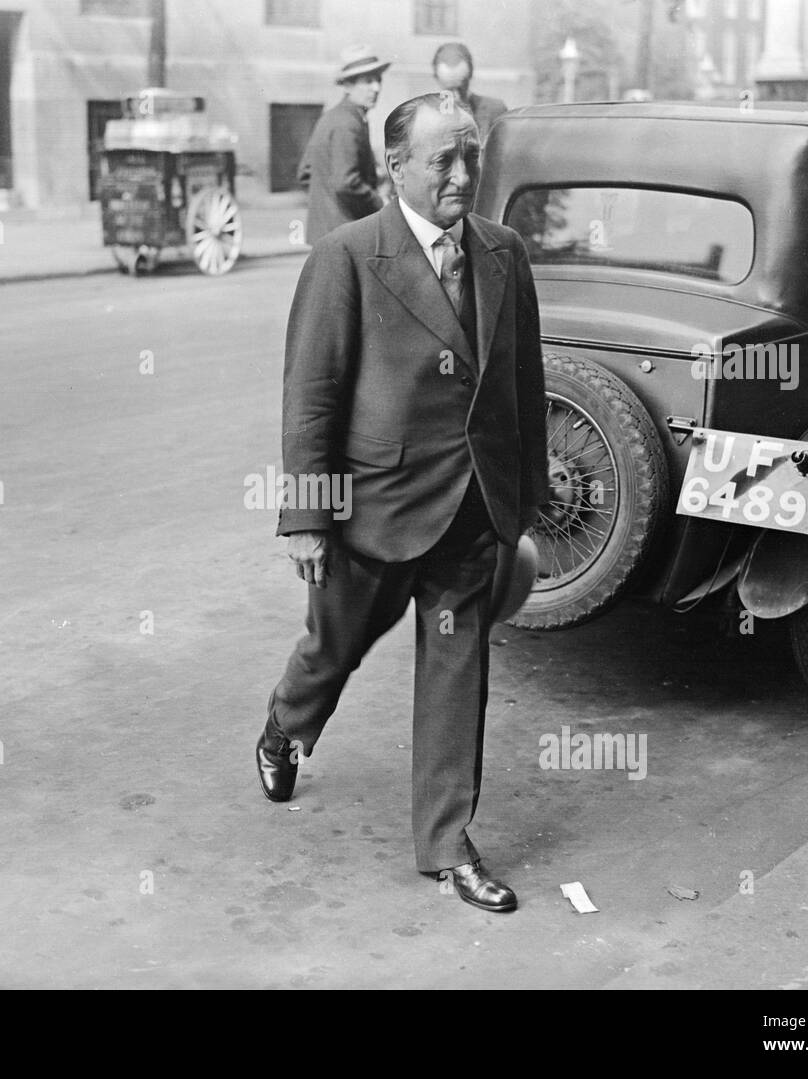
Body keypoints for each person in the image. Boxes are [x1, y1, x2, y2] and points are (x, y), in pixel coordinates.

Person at [258, 93, 549, 913]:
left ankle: (447, 845)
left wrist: (523, 496)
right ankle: (286, 724)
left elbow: (519, 381)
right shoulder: (347, 256)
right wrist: (309, 518)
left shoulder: (504, 253)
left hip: (470, 512)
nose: (462, 174)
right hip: (371, 512)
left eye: (471, 157)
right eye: (441, 161)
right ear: (394, 167)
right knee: (334, 648)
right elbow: (310, 397)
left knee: (458, 673)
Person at [296, 45, 388, 245]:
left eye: (378, 79)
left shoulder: (331, 118)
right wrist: (379, 202)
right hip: (346, 237)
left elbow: (305, 173)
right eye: (368, 81)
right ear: (347, 86)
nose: (376, 88)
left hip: (326, 235)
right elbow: (346, 183)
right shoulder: (348, 124)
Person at [432, 42, 507, 143]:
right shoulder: (424, 115)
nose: (455, 96)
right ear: (437, 78)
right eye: (449, 90)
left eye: (460, 89)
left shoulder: (494, 110)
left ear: (470, 74)